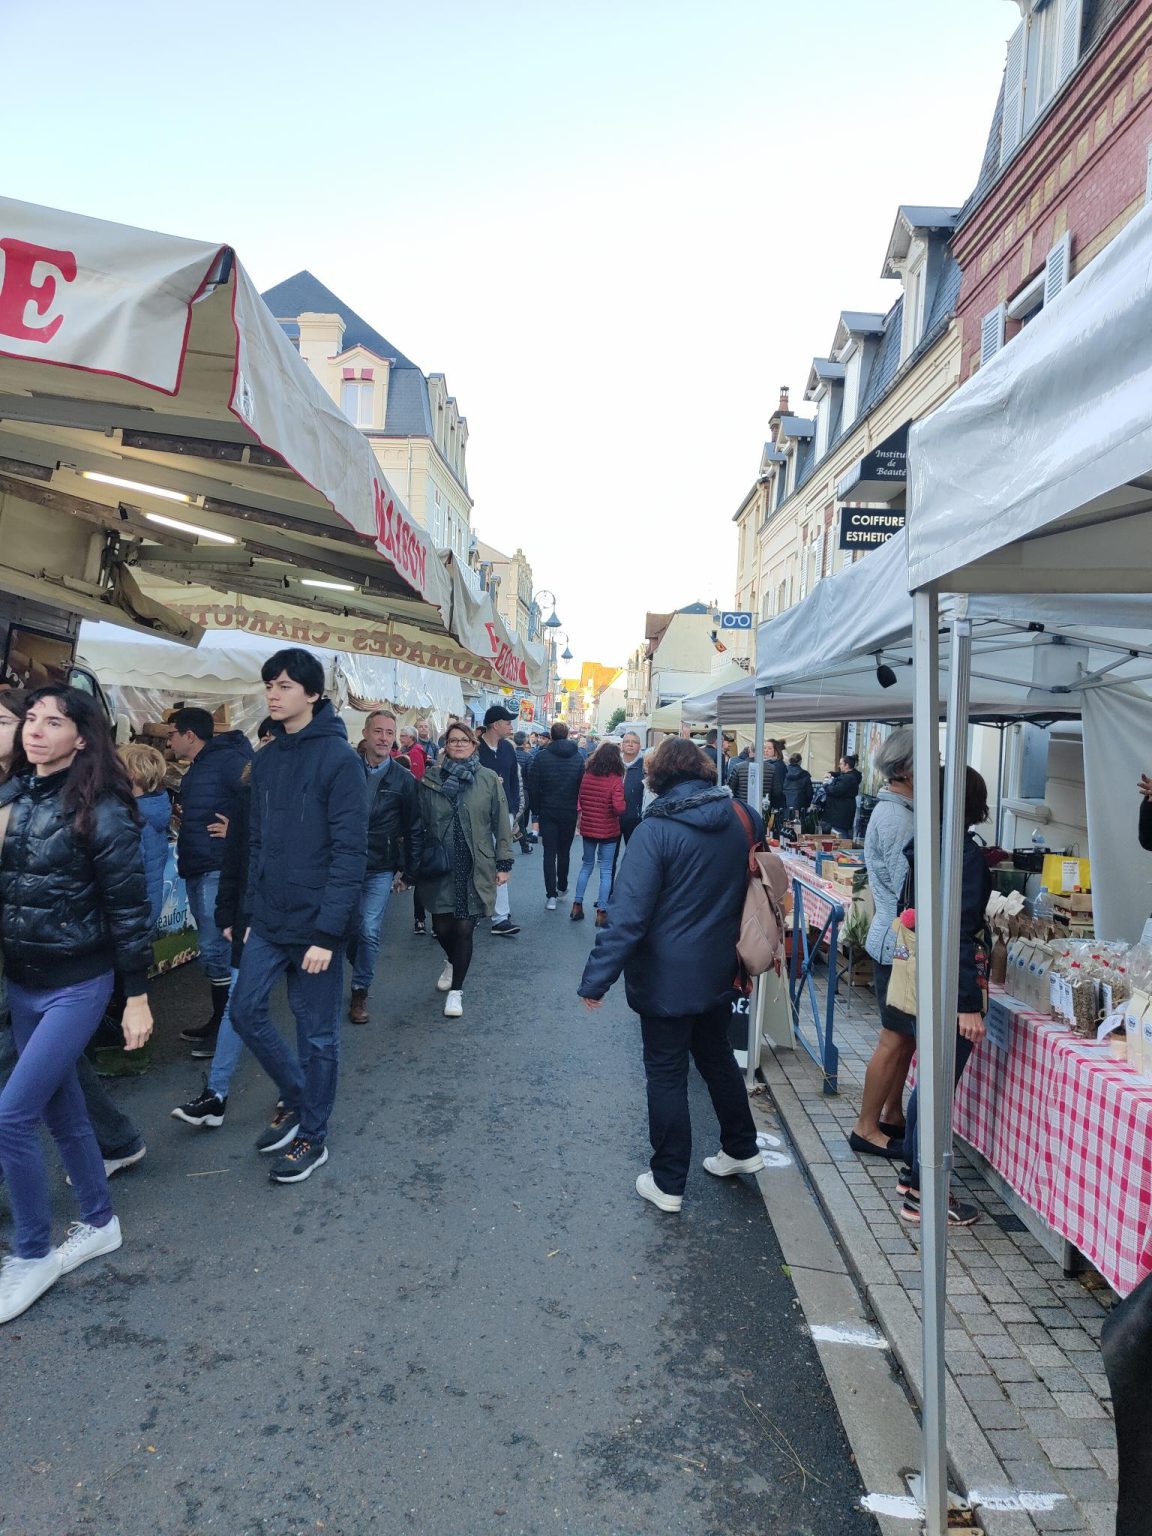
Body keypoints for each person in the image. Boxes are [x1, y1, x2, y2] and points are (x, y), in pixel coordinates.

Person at [0, 688, 155, 1323]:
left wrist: (138, 995)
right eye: (30, 719)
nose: (35, 731)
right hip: (23, 981)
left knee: (10, 1116)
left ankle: (33, 1253)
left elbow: (128, 908)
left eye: (53, 722)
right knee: (63, 1115)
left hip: (77, 983)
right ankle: (98, 1222)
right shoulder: (15, 797)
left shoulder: (105, 808)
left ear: (83, 737)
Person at [578, 738, 767, 1212]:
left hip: (665, 973)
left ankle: (668, 1182)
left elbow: (628, 915)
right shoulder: (742, 818)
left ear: (657, 777)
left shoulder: (655, 830)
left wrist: (596, 980)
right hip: (721, 964)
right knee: (716, 1057)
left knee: (666, 1073)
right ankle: (741, 1148)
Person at [227, 649, 368, 1185]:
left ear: (312, 694)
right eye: (269, 685)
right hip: (267, 919)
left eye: (284, 685)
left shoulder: (339, 761)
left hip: (316, 927)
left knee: (318, 1036)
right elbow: (256, 843)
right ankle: (296, 1092)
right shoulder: (264, 760)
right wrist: (246, 913)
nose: (272, 693)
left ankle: (313, 1133)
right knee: (244, 1011)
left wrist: (328, 933)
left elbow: (350, 853)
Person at [897, 766, 993, 1228]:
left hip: (926, 975)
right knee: (938, 1087)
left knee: (929, 1083)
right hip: (946, 981)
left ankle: (913, 1175)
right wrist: (967, 1002)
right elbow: (957, 929)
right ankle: (923, 1193)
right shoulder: (961, 851)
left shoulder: (928, 840)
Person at [171, 718, 275, 1130]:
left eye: (275, 738)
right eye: (264, 738)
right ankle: (216, 1094)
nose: (267, 744)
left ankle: (298, 1096)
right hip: (253, 915)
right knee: (241, 1002)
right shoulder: (252, 783)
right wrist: (232, 912)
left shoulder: (311, 783)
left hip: (302, 923)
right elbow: (236, 858)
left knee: (304, 1020)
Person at [168, 707, 253, 1057]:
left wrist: (237, 829)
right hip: (198, 863)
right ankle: (221, 1021)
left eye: (172, 733)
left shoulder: (227, 760)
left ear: (190, 736)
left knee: (215, 945)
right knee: (213, 947)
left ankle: (228, 1028)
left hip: (216, 865)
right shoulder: (203, 765)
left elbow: (261, 796)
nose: (168, 740)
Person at [848, 729, 916, 1160]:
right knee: (893, 1038)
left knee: (904, 1038)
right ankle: (866, 1127)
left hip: (895, 936)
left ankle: (891, 1115)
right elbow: (907, 884)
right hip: (900, 939)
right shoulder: (897, 818)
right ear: (906, 769)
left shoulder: (897, 810)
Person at [416, 722, 514, 1018]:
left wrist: (504, 862)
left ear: (474, 745)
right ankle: (451, 960)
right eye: (452, 740)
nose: (458, 745)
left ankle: (456, 991)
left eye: (464, 740)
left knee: (464, 928)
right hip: (441, 863)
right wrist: (410, 864)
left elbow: (500, 822)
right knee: (442, 927)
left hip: (476, 864)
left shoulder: (487, 779)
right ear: (446, 746)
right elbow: (418, 823)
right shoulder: (430, 779)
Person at [348, 722, 424, 1025]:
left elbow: (414, 827)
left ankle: (359, 990)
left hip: (381, 864)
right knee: (349, 929)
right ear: (365, 733)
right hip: (343, 864)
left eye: (390, 733)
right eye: (378, 731)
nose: (384, 738)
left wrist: (410, 872)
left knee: (368, 929)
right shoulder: (345, 769)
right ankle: (360, 963)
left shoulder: (403, 779)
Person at [529, 722, 585, 911]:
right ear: (568, 734)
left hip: (548, 809)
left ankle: (551, 895)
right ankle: (562, 887)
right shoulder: (577, 758)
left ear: (551, 736)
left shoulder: (541, 757)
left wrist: (535, 811)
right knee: (564, 852)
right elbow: (581, 787)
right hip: (568, 809)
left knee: (549, 853)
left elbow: (533, 786)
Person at [477, 706, 521, 937]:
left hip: (504, 814)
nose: (511, 726)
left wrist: (513, 809)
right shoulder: (475, 749)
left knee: (503, 861)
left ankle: (500, 917)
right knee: (479, 862)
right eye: (508, 722)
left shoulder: (508, 749)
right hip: (479, 815)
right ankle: (477, 910)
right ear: (495, 725)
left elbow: (514, 780)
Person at [572, 741, 627, 925]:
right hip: (609, 829)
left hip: (588, 827)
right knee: (605, 870)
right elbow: (619, 808)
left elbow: (581, 798)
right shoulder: (616, 778)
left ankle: (577, 905)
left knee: (586, 866)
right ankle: (601, 912)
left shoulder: (587, 775)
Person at [821, 754, 862, 838]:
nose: (839, 766)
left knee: (840, 837)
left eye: (841, 764)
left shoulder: (848, 778)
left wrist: (825, 784)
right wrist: (831, 773)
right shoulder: (852, 775)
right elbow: (839, 774)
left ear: (846, 765)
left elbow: (834, 790)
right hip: (842, 811)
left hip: (840, 813)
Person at [619, 732, 646, 844]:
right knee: (609, 858)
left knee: (633, 855)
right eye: (627, 741)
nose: (630, 744)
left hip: (635, 819)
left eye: (634, 742)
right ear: (621, 745)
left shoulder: (645, 766)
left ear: (639, 746)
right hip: (612, 819)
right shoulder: (614, 763)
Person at [512, 731, 535, 853]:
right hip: (524, 789)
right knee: (520, 818)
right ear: (525, 742)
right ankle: (524, 844)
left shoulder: (509, 754)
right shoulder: (528, 757)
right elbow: (531, 776)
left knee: (517, 818)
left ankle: (524, 844)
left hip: (510, 789)